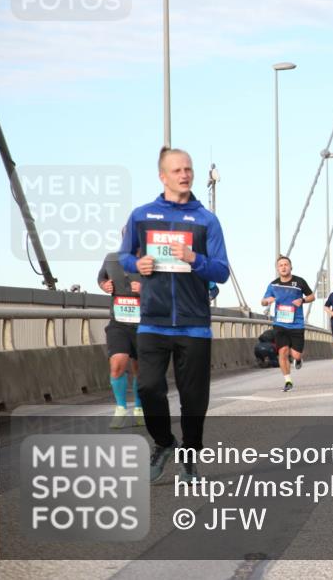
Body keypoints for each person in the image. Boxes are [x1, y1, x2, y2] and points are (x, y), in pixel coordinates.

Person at [120, 146, 230, 483]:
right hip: (153, 321)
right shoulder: (141, 216)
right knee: (150, 388)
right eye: (178, 170)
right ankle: (165, 443)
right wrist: (136, 264)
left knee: (193, 400)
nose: (185, 175)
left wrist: (194, 258)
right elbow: (123, 256)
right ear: (162, 176)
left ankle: (189, 456)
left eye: (188, 169)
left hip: (194, 324)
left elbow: (222, 271)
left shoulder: (206, 220)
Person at [98, 246, 144, 429]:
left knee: (140, 370)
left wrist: (144, 289)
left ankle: (139, 408)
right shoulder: (111, 258)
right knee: (117, 364)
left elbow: (166, 288)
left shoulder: (152, 260)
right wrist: (104, 285)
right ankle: (121, 408)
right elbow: (101, 276)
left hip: (144, 324)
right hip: (118, 323)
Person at [260, 256, 314, 392]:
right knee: (282, 351)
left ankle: (298, 359)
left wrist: (302, 300)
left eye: (286, 264)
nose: (283, 267)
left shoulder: (299, 282)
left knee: (296, 355)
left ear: (291, 267)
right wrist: (267, 301)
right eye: (281, 265)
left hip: (297, 324)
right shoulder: (273, 285)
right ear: (277, 269)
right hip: (280, 323)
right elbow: (263, 301)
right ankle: (288, 381)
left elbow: (312, 296)